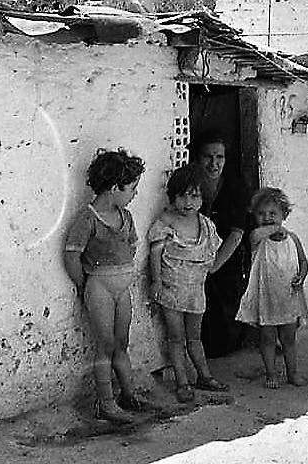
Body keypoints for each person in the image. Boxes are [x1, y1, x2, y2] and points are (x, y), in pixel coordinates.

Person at [63, 148, 146, 424]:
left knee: (122, 342)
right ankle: (106, 404)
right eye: (131, 188)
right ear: (114, 188)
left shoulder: (126, 216)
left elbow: (131, 246)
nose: (134, 194)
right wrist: (84, 284)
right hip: (100, 288)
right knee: (106, 345)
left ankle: (129, 395)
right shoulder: (88, 219)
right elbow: (72, 253)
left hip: (122, 289)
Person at [148, 164, 230, 402]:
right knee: (176, 337)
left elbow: (213, 254)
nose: (188, 202)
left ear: (203, 198)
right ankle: (182, 382)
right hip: (171, 290)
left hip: (196, 291)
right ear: (172, 197)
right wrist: (156, 282)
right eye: (182, 196)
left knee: (194, 337)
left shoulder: (205, 225)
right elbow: (155, 253)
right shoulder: (166, 221)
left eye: (194, 196)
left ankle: (204, 376)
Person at [236, 187, 308, 388]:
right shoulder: (259, 239)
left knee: (289, 340)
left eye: (273, 213)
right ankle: (271, 374)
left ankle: (292, 374)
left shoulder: (293, 239)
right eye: (261, 213)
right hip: (266, 299)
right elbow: (256, 233)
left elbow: (303, 261)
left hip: (288, 299)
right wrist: (275, 228)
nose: (267, 218)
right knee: (267, 339)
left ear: (284, 215)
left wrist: (301, 277)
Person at [195, 136, 252, 357]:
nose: (214, 163)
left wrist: (213, 266)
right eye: (207, 157)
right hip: (198, 255)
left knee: (225, 308)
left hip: (227, 257)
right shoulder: (193, 186)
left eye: (219, 157)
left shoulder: (235, 187)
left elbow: (236, 234)